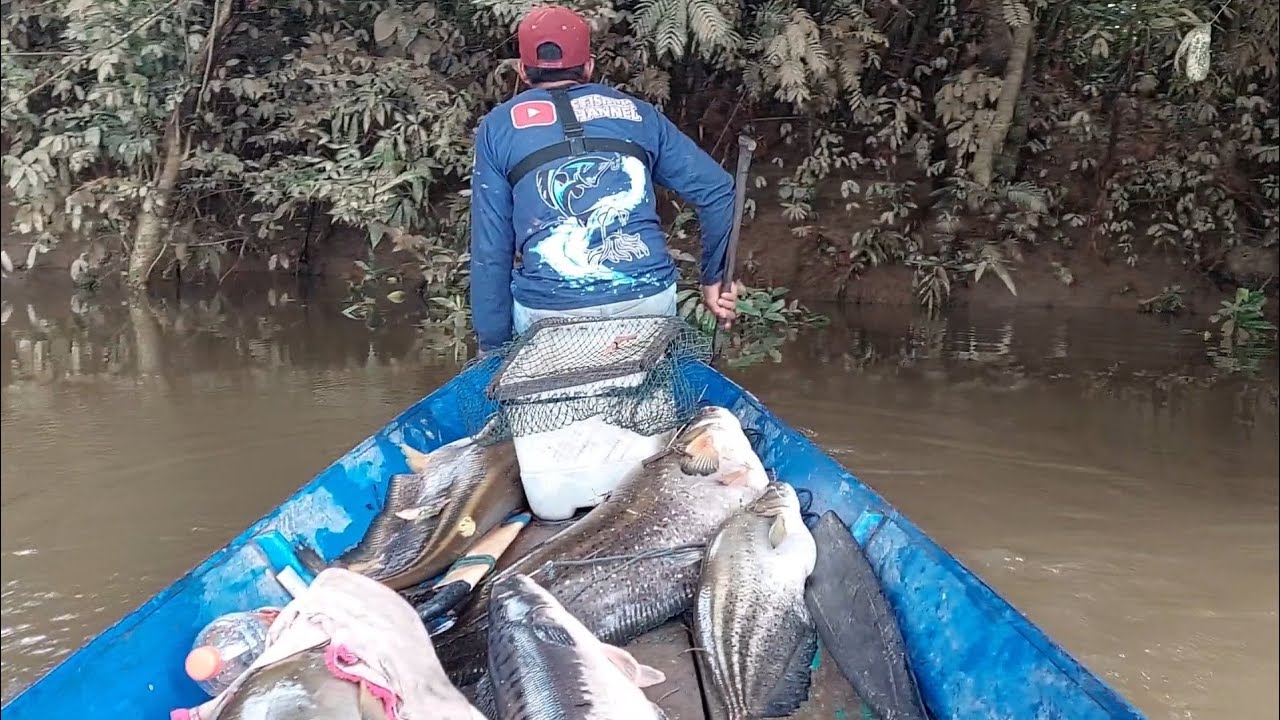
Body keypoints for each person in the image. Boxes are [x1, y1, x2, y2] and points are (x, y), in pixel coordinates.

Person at [467, 4, 741, 353]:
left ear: (523, 70)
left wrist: (492, 345)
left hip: (550, 311)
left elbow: (491, 250)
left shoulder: (498, 127)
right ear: (589, 65)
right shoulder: (639, 114)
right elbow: (718, 190)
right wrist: (714, 278)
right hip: (647, 301)